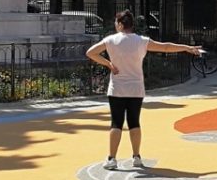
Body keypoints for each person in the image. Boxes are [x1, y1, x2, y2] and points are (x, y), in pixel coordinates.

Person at [86, 9, 203, 170]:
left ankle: (112, 158)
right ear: (131, 24)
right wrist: (186, 47)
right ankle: (136, 156)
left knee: (116, 123)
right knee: (134, 122)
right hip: (136, 88)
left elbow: (90, 53)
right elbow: (166, 47)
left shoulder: (110, 40)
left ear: (120, 24)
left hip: (117, 88)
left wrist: (109, 64)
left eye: (116, 23)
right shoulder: (141, 41)